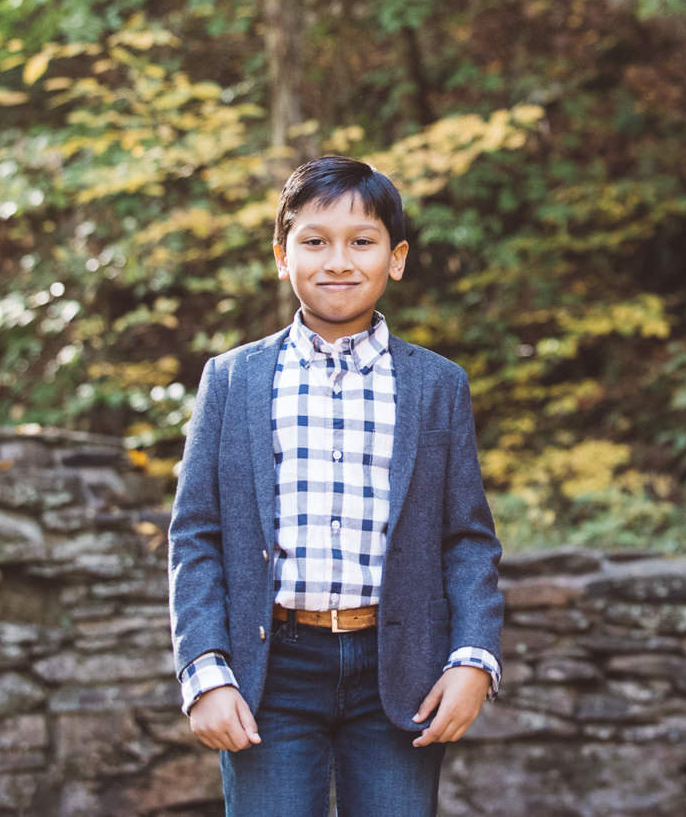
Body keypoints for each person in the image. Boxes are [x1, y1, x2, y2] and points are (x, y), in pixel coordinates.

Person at [167, 156, 505, 816]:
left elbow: (467, 538)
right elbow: (195, 538)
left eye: (362, 240)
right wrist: (204, 671)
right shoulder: (232, 381)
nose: (338, 261)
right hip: (271, 675)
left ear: (396, 257)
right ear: (281, 255)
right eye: (314, 240)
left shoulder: (437, 386)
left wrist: (473, 658)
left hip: (401, 666)